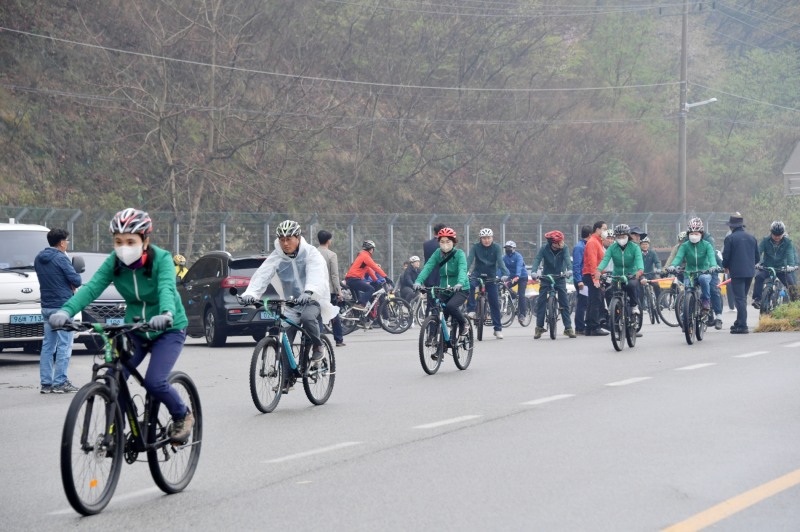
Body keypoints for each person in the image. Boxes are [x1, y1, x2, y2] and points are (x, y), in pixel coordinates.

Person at [49, 209, 194, 441]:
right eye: (118, 241)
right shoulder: (114, 262)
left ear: (145, 241)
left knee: (155, 381)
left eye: (130, 241)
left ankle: (182, 415)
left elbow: (166, 287)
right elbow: (91, 288)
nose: (123, 247)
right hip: (135, 329)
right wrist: (66, 311)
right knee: (112, 377)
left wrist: (166, 313)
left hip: (168, 328)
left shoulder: (162, 259)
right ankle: (119, 425)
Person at [241, 220, 338, 362]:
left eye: (288, 239)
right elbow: (263, 274)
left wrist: (309, 291)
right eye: (282, 240)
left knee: (307, 318)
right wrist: (251, 293)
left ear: (298, 238)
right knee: (284, 340)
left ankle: (318, 346)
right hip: (291, 303)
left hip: (312, 300)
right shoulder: (277, 256)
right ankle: (287, 380)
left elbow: (316, 273)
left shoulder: (311, 253)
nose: (285, 243)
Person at [35, 228, 83, 394]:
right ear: (62, 242)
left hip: (46, 307)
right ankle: (60, 382)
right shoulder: (62, 258)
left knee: (48, 346)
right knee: (65, 345)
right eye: (67, 241)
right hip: (62, 307)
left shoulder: (38, 258)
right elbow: (76, 280)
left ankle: (46, 384)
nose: (67, 243)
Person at [413, 227, 470, 340]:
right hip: (444, 289)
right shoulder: (437, 254)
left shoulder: (459, 254)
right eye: (442, 242)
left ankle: (464, 324)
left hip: (461, 288)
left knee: (451, 306)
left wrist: (460, 283)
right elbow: (427, 268)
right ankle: (435, 342)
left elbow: (463, 269)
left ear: (453, 242)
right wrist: (418, 281)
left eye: (448, 241)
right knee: (437, 311)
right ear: (439, 242)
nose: (445, 244)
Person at [466, 228, 509, 339]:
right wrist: (464, 271)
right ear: (480, 239)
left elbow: (500, 261)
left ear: (492, 238)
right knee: (470, 285)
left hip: (491, 275)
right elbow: (469, 260)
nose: (486, 240)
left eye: (489, 238)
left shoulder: (497, 248)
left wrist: (504, 273)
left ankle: (497, 329)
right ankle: (471, 310)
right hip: (477, 273)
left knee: (494, 301)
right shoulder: (475, 247)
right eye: (484, 238)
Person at [666, 218, 717, 312]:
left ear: (701, 234)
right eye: (692, 233)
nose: (694, 236)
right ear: (688, 234)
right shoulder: (685, 246)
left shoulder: (707, 245)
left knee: (704, 279)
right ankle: (686, 313)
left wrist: (713, 266)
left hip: (704, 272)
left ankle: (706, 301)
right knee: (688, 291)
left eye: (696, 233)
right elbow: (678, 257)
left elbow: (711, 256)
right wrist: (673, 265)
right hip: (689, 273)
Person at [531, 231, 575, 339]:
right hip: (546, 277)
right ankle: (539, 328)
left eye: (561, 241)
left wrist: (569, 270)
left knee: (564, 302)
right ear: (551, 243)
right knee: (541, 301)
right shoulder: (544, 248)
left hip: (560, 277)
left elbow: (567, 260)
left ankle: (568, 328)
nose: (561, 244)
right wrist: (534, 271)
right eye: (557, 242)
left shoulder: (564, 248)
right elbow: (537, 259)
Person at [595, 224, 644, 318]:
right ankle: (614, 313)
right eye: (618, 237)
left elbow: (639, 260)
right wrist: (598, 270)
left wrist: (640, 270)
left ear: (628, 236)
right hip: (617, 275)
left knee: (632, 286)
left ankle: (634, 306)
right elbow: (605, 259)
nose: (621, 238)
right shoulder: (612, 248)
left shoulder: (634, 247)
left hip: (631, 275)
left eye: (623, 236)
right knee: (609, 292)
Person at [721, 213, 759, 334]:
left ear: (731, 226)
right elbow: (757, 258)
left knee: (740, 299)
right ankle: (738, 322)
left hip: (737, 272)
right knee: (742, 298)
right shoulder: (752, 237)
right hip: (749, 272)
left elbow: (726, 256)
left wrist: (725, 266)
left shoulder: (730, 238)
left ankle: (743, 326)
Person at [752, 220, 798, 307]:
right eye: (775, 235)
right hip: (767, 268)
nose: (777, 237)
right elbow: (758, 252)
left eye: (779, 235)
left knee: (791, 283)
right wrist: (756, 262)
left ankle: (795, 302)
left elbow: (790, 255)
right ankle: (757, 299)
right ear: (771, 233)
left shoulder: (788, 242)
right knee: (758, 276)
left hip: (782, 268)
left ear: (783, 233)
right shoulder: (765, 240)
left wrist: (790, 266)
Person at [317, 230, 345, 347]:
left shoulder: (314, 253)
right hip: (329, 291)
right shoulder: (331, 255)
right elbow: (334, 275)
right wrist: (339, 292)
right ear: (328, 241)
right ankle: (338, 340)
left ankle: (317, 339)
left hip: (316, 289)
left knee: (317, 314)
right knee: (333, 314)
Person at [344, 240, 390, 310]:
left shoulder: (362, 255)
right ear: (371, 249)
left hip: (351, 279)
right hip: (354, 279)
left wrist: (376, 280)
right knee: (370, 289)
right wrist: (385, 277)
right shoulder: (366, 256)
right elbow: (375, 267)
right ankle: (361, 304)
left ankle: (358, 314)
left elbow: (369, 270)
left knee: (358, 300)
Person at [582, 221, 609, 336]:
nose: (605, 231)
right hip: (592, 275)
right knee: (596, 301)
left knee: (593, 300)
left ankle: (589, 326)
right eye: (604, 229)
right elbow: (593, 262)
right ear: (597, 229)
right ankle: (594, 326)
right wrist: (596, 278)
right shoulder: (593, 242)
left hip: (594, 274)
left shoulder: (598, 242)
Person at [423, 223, 449, 312]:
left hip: (429, 277)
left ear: (434, 232)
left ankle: (429, 323)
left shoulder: (426, 244)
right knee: (444, 302)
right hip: (442, 278)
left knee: (430, 304)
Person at [502, 241, 529, 325]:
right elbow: (500, 267)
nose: (507, 249)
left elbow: (519, 266)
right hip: (511, 277)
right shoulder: (504, 257)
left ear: (514, 249)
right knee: (503, 287)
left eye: (509, 248)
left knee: (521, 295)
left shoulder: (518, 256)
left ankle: (522, 315)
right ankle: (512, 297)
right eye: (506, 248)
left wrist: (517, 275)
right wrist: (499, 276)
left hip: (522, 277)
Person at [572, 225, 592, 335]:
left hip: (584, 278)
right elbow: (577, 265)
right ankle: (579, 327)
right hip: (581, 280)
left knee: (586, 302)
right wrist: (579, 280)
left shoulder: (585, 245)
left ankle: (582, 325)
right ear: (589, 235)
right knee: (582, 303)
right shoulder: (580, 247)